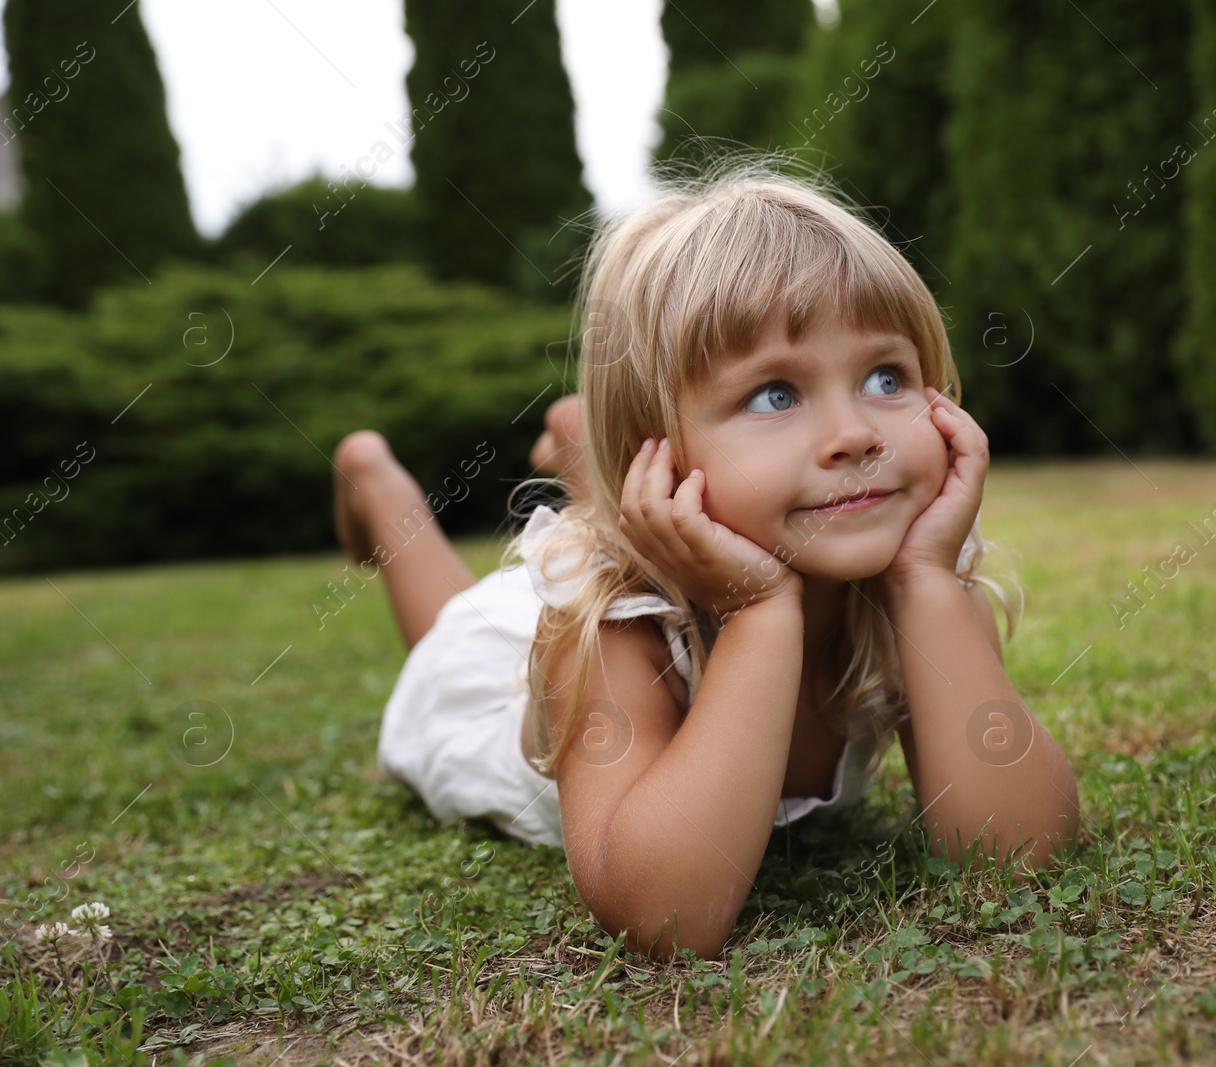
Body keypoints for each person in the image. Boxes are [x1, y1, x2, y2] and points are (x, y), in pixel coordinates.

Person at [330, 160, 1079, 962]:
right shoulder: (608, 635)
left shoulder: (916, 583)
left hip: (662, 514)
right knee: (454, 632)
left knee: (614, 512)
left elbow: (1017, 858)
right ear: (661, 455)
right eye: (775, 395)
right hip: (509, 686)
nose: (857, 434)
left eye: (886, 376)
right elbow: (664, 916)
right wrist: (759, 611)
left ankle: (586, 453)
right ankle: (376, 482)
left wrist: (928, 583)